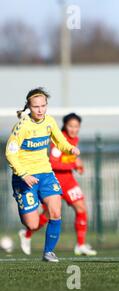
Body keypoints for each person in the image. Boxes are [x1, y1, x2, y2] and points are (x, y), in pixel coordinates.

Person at [5, 87, 80, 262]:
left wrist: (70, 148)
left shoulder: (49, 122)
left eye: (43, 106)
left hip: (46, 174)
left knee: (55, 211)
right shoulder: (22, 126)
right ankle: (20, 199)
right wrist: (23, 174)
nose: (40, 110)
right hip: (24, 178)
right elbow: (10, 153)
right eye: (36, 106)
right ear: (29, 107)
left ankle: (48, 252)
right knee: (31, 224)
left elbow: (60, 142)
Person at [18, 113, 97, 256]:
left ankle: (80, 244)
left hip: (69, 181)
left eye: (76, 126)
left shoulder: (75, 139)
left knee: (81, 208)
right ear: (65, 126)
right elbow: (53, 163)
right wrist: (73, 164)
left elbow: (69, 159)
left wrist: (78, 163)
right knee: (48, 215)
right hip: (55, 181)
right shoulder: (58, 140)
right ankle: (27, 234)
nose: (73, 129)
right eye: (71, 126)